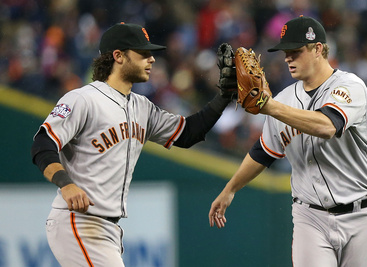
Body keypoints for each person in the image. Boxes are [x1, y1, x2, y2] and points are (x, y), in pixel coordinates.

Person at [31, 22, 234, 266]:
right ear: (118, 56)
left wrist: (224, 95)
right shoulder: (83, 99)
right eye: (143, 54)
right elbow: (42, 144)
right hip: (79, 221)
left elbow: (188, 133)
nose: (152, 60)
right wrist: (66, 185)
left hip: (108, 228)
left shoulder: (142, 107)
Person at [209, 16, 367, 267]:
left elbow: (326, 126)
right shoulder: (284, 98)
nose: (288, 57)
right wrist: (230, 189)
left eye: (296, 51)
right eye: (285, 52)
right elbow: (263, 152)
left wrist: (269, 107)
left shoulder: (350, 86)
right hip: (309, 216)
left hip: (361, 215)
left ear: (318, 49)